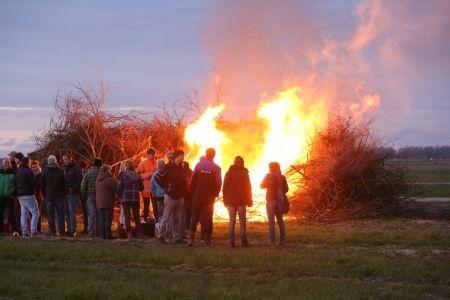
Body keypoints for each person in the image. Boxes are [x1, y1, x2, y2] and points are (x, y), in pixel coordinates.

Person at [188, 148, 222, 246]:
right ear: (214, 155)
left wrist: (192, 192)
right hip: (209, 198)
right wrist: (215, 194)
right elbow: (219, 183)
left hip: (198, 195)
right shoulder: (216, 168)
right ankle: (207, 239)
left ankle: (191, 239)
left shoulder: (198, 165)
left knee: (194, 216)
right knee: (208, 217)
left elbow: (192, 180)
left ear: (206, 154)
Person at [158, 149, 187, 245]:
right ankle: (161, 236)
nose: (183, 158)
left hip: (179, 196)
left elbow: (183, 181)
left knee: (176, 218)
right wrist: (167, 188)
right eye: (182, 156)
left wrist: (184, 191)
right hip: (170, 196)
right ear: (177, 156)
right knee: (166, 217)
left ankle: (176, 237)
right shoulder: (169, 166)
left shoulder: (181, 167)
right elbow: (159, 177)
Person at [223, 156, 253, 247]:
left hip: (230, 201)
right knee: (242, 221)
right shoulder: (244, 173)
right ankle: (243, 240)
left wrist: (225, 200)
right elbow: (248, 188)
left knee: (232, 221)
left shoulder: (228, 173)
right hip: (241, 200)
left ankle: (231, 241)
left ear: (234, 162)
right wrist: (249, 200)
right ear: (242, 163)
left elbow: (224, 188)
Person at [260, 162, 288, 245]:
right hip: (280, 201)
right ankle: (282, 239)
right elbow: (286, 189)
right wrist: (280, 192)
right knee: (280, 220)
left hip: (271, 201)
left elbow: (261, 186)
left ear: (271, 168)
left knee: (271, 222)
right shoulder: (282, 177)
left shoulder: (268, 176)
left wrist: (269, 184)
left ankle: (272, 241)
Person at [41, 155, 67, 237]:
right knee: (60, 215)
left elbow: (42, 184)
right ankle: (62, 232)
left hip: (49, 196)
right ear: (55, 161)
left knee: (50, 215)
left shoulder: (45, 171)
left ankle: (53, 232)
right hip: (59, 196)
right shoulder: (61, 171)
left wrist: (44, 193)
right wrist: (64, 193)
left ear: (48, 161)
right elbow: (64, 184)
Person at [117, 160, 143, 239]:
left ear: (126, 166)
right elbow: (142, 188)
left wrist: (121, 196)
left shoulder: (123, 175)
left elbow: (119, 187)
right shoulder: (137, 175)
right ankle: (139, 234)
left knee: (127, 216)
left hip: (126, 199)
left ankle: (129, 234)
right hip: (135, 198)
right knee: (136, 216)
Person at [15, 157, 40, 237]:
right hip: (28, 194)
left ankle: (24, 231)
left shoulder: (18, 171)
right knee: (35, 212)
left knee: (24, 214)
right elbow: (34, 182)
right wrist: (39, 185)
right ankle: (33, 230)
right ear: (27, 162)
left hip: (20, 195)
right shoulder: (29, 171)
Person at [62, 153, 83, 237]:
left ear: (70, 159)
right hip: (65, 193)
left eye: (66, 159)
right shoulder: (63, 168)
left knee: (71, 211)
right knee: (66, 212)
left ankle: (73, 229)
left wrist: (73, 188)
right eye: (63, 159)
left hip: (73, 193)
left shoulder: (76, 168)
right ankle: (69, 228)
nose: (65, 161)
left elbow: (80, 179)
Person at [81, 158, 102, 238]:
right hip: (100, 197)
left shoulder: (88, 173)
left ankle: (91, 232)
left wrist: (84, 195)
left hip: (90, 196)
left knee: (91, 215)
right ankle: (98, 232)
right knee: (99, 215)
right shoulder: (102, 173)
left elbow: (83, 186)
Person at [95, 165, 117, 239]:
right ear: (107, 171)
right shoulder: (110, 180)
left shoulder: (97, 179)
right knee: (108, 219)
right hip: (108, 202)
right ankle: (108, 234)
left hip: (99, 202)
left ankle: (102, 234)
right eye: (110, 170)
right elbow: (116, 188)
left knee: (101, 219)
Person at [137, 148, 157, 222]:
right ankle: (145, 220)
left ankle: (156, 220)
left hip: (154, 188)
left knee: (155, 205)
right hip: (145, 188)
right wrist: (149, 174)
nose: (153, 156)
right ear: (148, 155)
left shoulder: (156, 162)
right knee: (146, 205)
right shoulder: (143, 163)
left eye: (154, 154)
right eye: (152, 154)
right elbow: (138, 175)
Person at [0, 158, 19, 236]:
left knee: (11, 214)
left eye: (8, 162)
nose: (6, 164)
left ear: (10, 164)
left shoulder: (13, 172)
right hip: (0, 196)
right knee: (0, 214)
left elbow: (17, 185)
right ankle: (1, 230)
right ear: (2, 163)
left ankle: (15, 230)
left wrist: (14, 194)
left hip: (9, 197)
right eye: (5, 162)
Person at [150, 159, 166, 224]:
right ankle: (167, 228)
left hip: (159, 196)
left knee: (160, 212)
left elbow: (152, 186)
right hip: (167, 196)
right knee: (167, 212)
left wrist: (154, 194)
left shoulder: (154, 174)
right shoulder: (167, 173)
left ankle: (160, 227)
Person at [31, 160, 43, 234]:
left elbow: (41, 185)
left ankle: (38, 229)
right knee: (32, 213)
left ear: (38, 166)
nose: (34, 168)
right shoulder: (31, 174)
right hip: (32, 195)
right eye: (33, 167)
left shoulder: (41, 174)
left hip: (39, 195)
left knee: (38, 213)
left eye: (35, 167)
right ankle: (33, 228)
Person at [181, 161, 193, 238]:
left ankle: (184, 228)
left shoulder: (184, 172)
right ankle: (186, 228)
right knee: (188, 212)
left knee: (185, 212)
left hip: (186, 195)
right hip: (189, 194)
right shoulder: (191, 172)